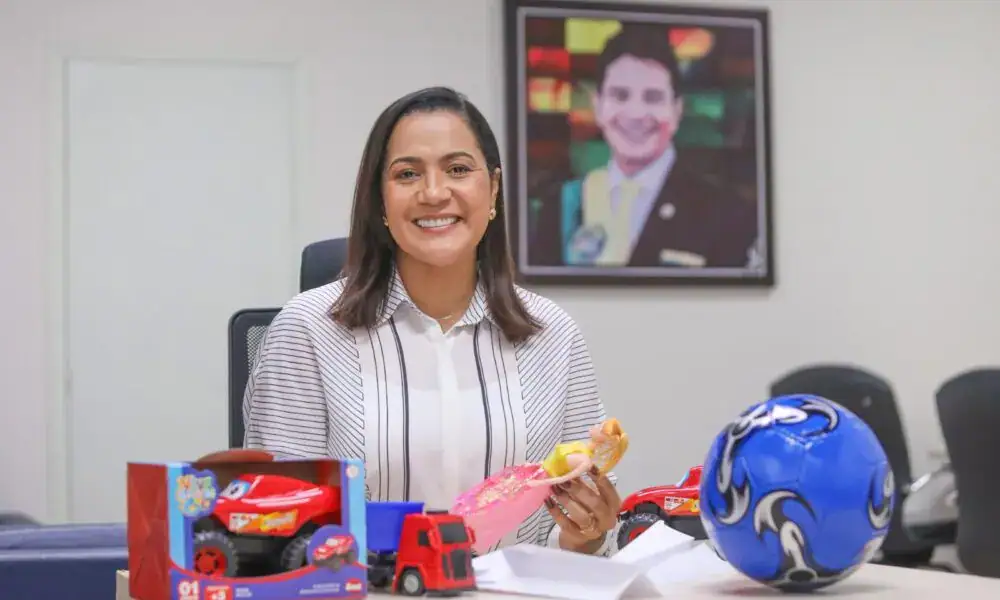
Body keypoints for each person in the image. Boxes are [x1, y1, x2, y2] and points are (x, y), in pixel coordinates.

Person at [242, 87, 621, 555]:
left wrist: (587, 532)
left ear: (493, 189)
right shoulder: (308, 330)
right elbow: (279, 526)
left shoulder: (552, 332)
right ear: (380, 200)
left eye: (458, 169)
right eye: (407, 174)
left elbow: (575, 537)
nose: (435, 193)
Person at [529, 24, 759, 269]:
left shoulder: (727, 213)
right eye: (620, 95)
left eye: (653, 97)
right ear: (598, 105)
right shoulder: (562, 205)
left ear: (677, 110)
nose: (636, 114)